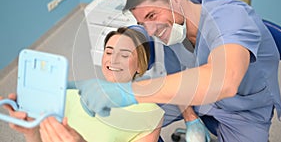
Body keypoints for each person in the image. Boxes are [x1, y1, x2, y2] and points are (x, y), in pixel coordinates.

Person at [61, 0, 281, 142]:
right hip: (191, 95)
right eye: (142, 22)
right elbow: (173, 70)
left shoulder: (232, 17)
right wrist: (190, 116)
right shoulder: (170, 29)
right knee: (129, 120)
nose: (151, 29)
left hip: (243, 109)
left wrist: (128, 92)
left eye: (152, 15)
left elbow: (223, 80)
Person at [1, 26, 165, 142]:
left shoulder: (150, 113)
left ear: (140, 65)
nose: (113, 59)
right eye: (108, 52)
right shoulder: (72, 94)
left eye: (124, 54)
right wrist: (31, 133)